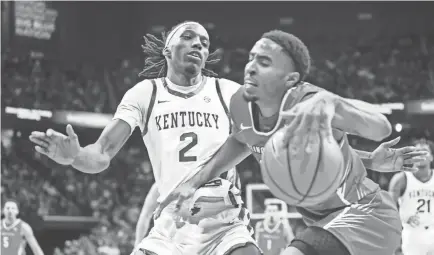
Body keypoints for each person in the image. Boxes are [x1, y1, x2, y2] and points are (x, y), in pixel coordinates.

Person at [161, 30, 430, 255]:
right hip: (323, 221)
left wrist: (334, 102)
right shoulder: (240, 104)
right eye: (252, 58)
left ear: (290, 79)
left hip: (365, 214)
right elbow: (243, 141)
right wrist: (193, 182)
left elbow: (380, 127)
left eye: (264, 62)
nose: (251, 66)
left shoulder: (309, 102)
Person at [29, 21, 260, 255]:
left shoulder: (228, 91)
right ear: (167, 50)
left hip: (222, 221)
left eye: (204, 43)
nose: (198, 45)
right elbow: (102, 152)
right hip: (171, 225)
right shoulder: (145, 94)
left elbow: (253, 137)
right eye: (188, 37)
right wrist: (76, 156)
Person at [389, 138, 434, 255]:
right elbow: (388, 211)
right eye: (417, 151)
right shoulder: (401, 179)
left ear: (431, 157)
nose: (420, 154)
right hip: (412, 233)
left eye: (425, 151)